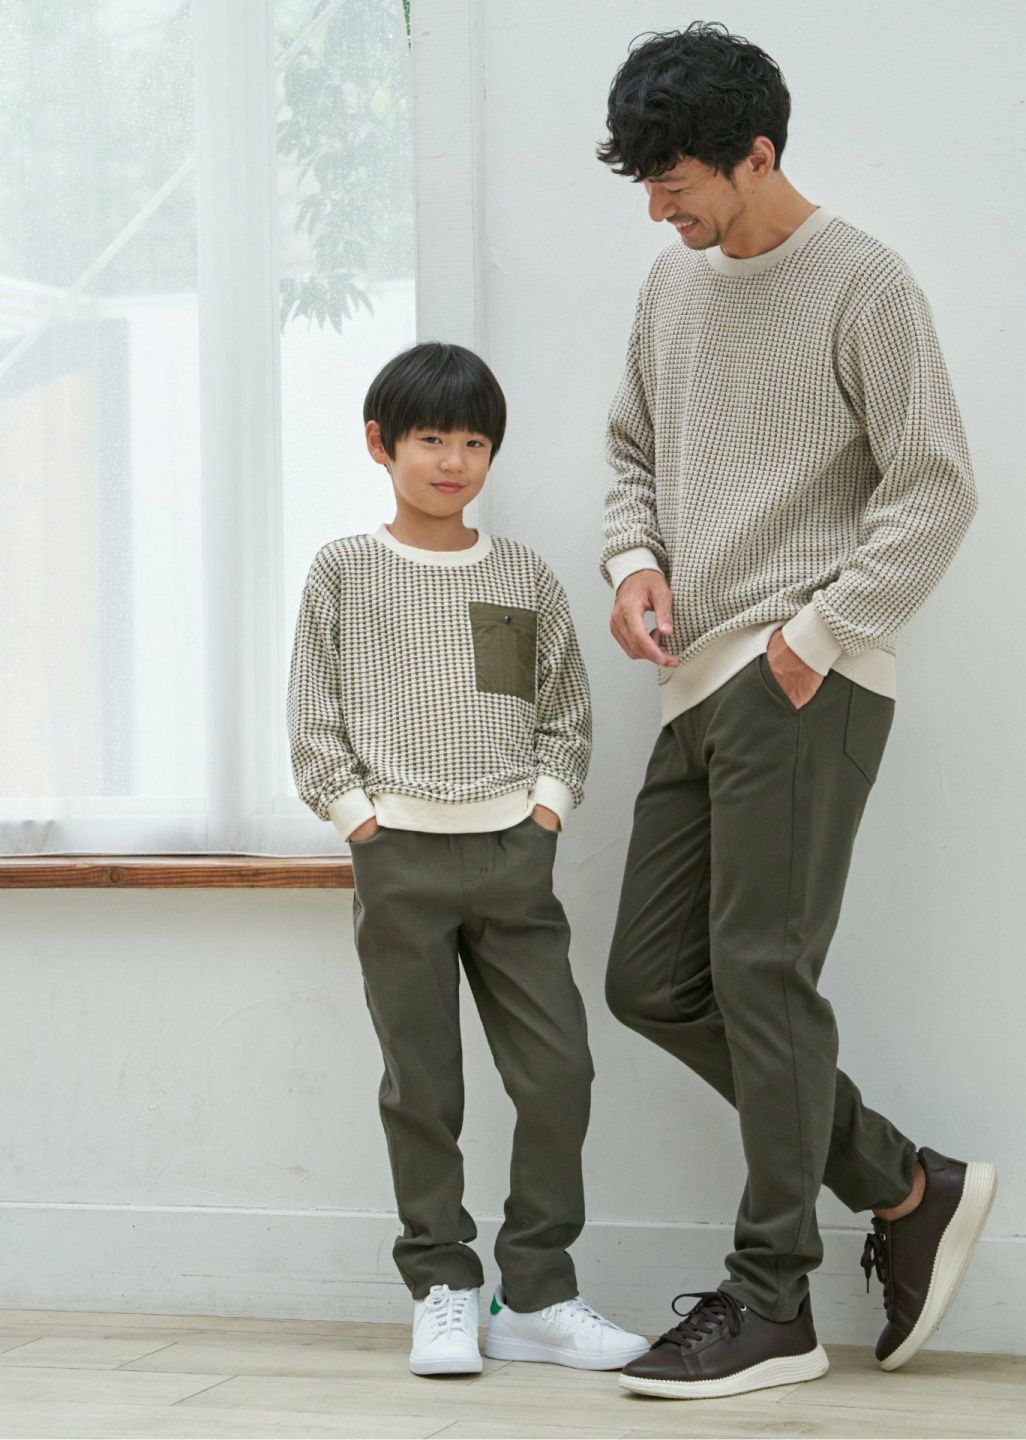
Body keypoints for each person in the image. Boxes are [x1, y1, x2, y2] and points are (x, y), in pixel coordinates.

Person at [595, 22, 997, 1400]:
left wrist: (814, 640)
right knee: (653, 981)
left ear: (757, 154)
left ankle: (773, 1301)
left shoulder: (862, 283)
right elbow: (631, 449)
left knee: (762, 976)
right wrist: (633, 561)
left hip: (802, 677)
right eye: (648, 184)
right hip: (696, 680)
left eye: (676, 182)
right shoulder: (672, 285)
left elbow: (935, 486)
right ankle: (904, 1184)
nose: (660, 209)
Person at [287, 341, 648, 1377]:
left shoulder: (520, 574)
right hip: (396, 858)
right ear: (381, 444)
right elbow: (313, 711)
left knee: (559, 1072)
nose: (454, 461)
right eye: (431, 438)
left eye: (475, 442)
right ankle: (443, 1287)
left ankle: (536, 1294)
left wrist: (544, 812)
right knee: (423, 1088)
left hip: (511, 860)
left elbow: (560, 709)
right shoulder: (344, 571)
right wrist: (359, 817)